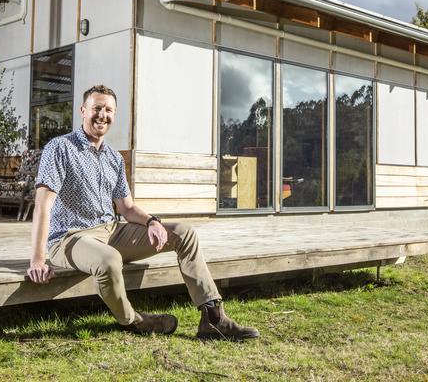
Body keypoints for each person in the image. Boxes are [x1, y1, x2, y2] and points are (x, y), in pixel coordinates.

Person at [27, 84, 259, 340]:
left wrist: (151, 222)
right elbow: (43, 205)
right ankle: (134, 320)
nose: (102, 115)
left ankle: (213, 319)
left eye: (108, 110)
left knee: (184, 233)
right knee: (109, 260)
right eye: (96, 108)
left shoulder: (113, 158)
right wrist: (38, 259)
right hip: (70, 237)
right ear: (83, 111)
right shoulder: (59, 148)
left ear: (113, 115)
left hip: (111, 230)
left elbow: (126, 207)